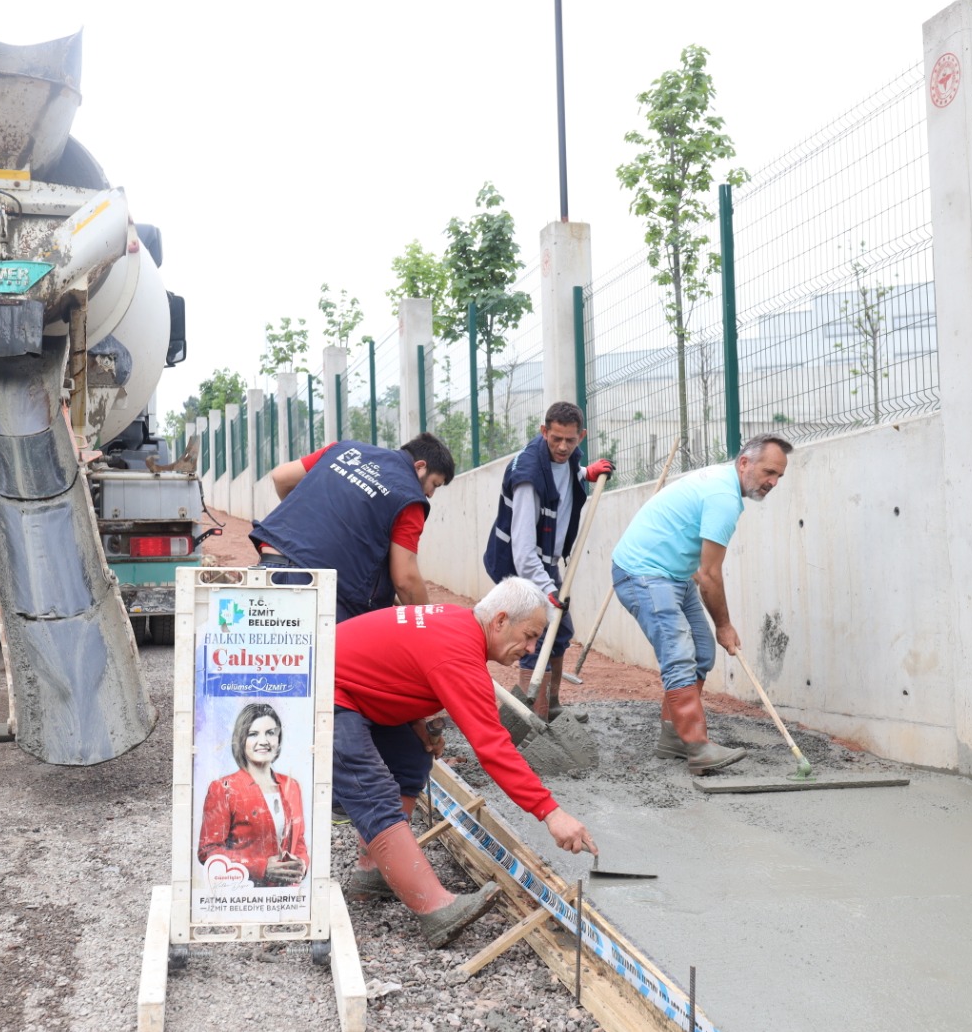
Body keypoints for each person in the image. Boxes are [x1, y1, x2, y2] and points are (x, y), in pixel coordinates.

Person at [332, 577, 599, 949]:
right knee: (372, 791)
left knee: (410, 758)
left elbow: (391, 668)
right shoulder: (458, 652)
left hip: (350, 689)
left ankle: (374, 871)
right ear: (501, 620)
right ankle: (436, 910)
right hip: (321, 694)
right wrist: (551, 812)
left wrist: (416, 721)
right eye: (529, 635)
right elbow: (493, 747)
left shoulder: (457, 626)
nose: (530, 648)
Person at [610, 433, 793, 775]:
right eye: (769, 471)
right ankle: (697, 746)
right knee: (679, 653)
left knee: (702, 651)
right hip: (643, 574)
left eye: (779, 476)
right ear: (744, 463)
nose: (773, 482)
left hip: (675, 576)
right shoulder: (723, 497)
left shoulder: (723, 485)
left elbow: (698, 563)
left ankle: (673, 738)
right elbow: (709, 575)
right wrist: (724, 624)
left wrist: (717, 627)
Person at [482, 401, 613, 719]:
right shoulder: (528, 476)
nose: (563, 446)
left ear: (580, 436)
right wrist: (547, 592)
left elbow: (564, 472)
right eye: (555, 439)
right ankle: (534, 718)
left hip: (546, 563)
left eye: (570, 440)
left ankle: (550, 707)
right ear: (544, 432)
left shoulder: (567, 459)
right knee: (535, 637)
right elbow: (523, 552)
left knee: (561, 632)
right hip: (520, 567)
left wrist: (585, 473)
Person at [250, 433, 455, 622]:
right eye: (434, 484)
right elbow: (405, 580)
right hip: (319, 591)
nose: (430, 494)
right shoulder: (409, 497)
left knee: (267, 656)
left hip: (271, 565)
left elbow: (281, 476)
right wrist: (428, 624)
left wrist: (301, 527)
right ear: (420, 467)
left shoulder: (344, 449)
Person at [198, 702, 308, 887]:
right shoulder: (223, 788)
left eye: (270, 733)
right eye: (253, 734)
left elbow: (299, 840)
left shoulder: (291, 785)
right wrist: (262, 867)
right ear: (241, 740)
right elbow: (208, 850)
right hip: (246, 896)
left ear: (279, 739)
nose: (264, 741)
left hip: (288, 898)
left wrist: (302, 864)